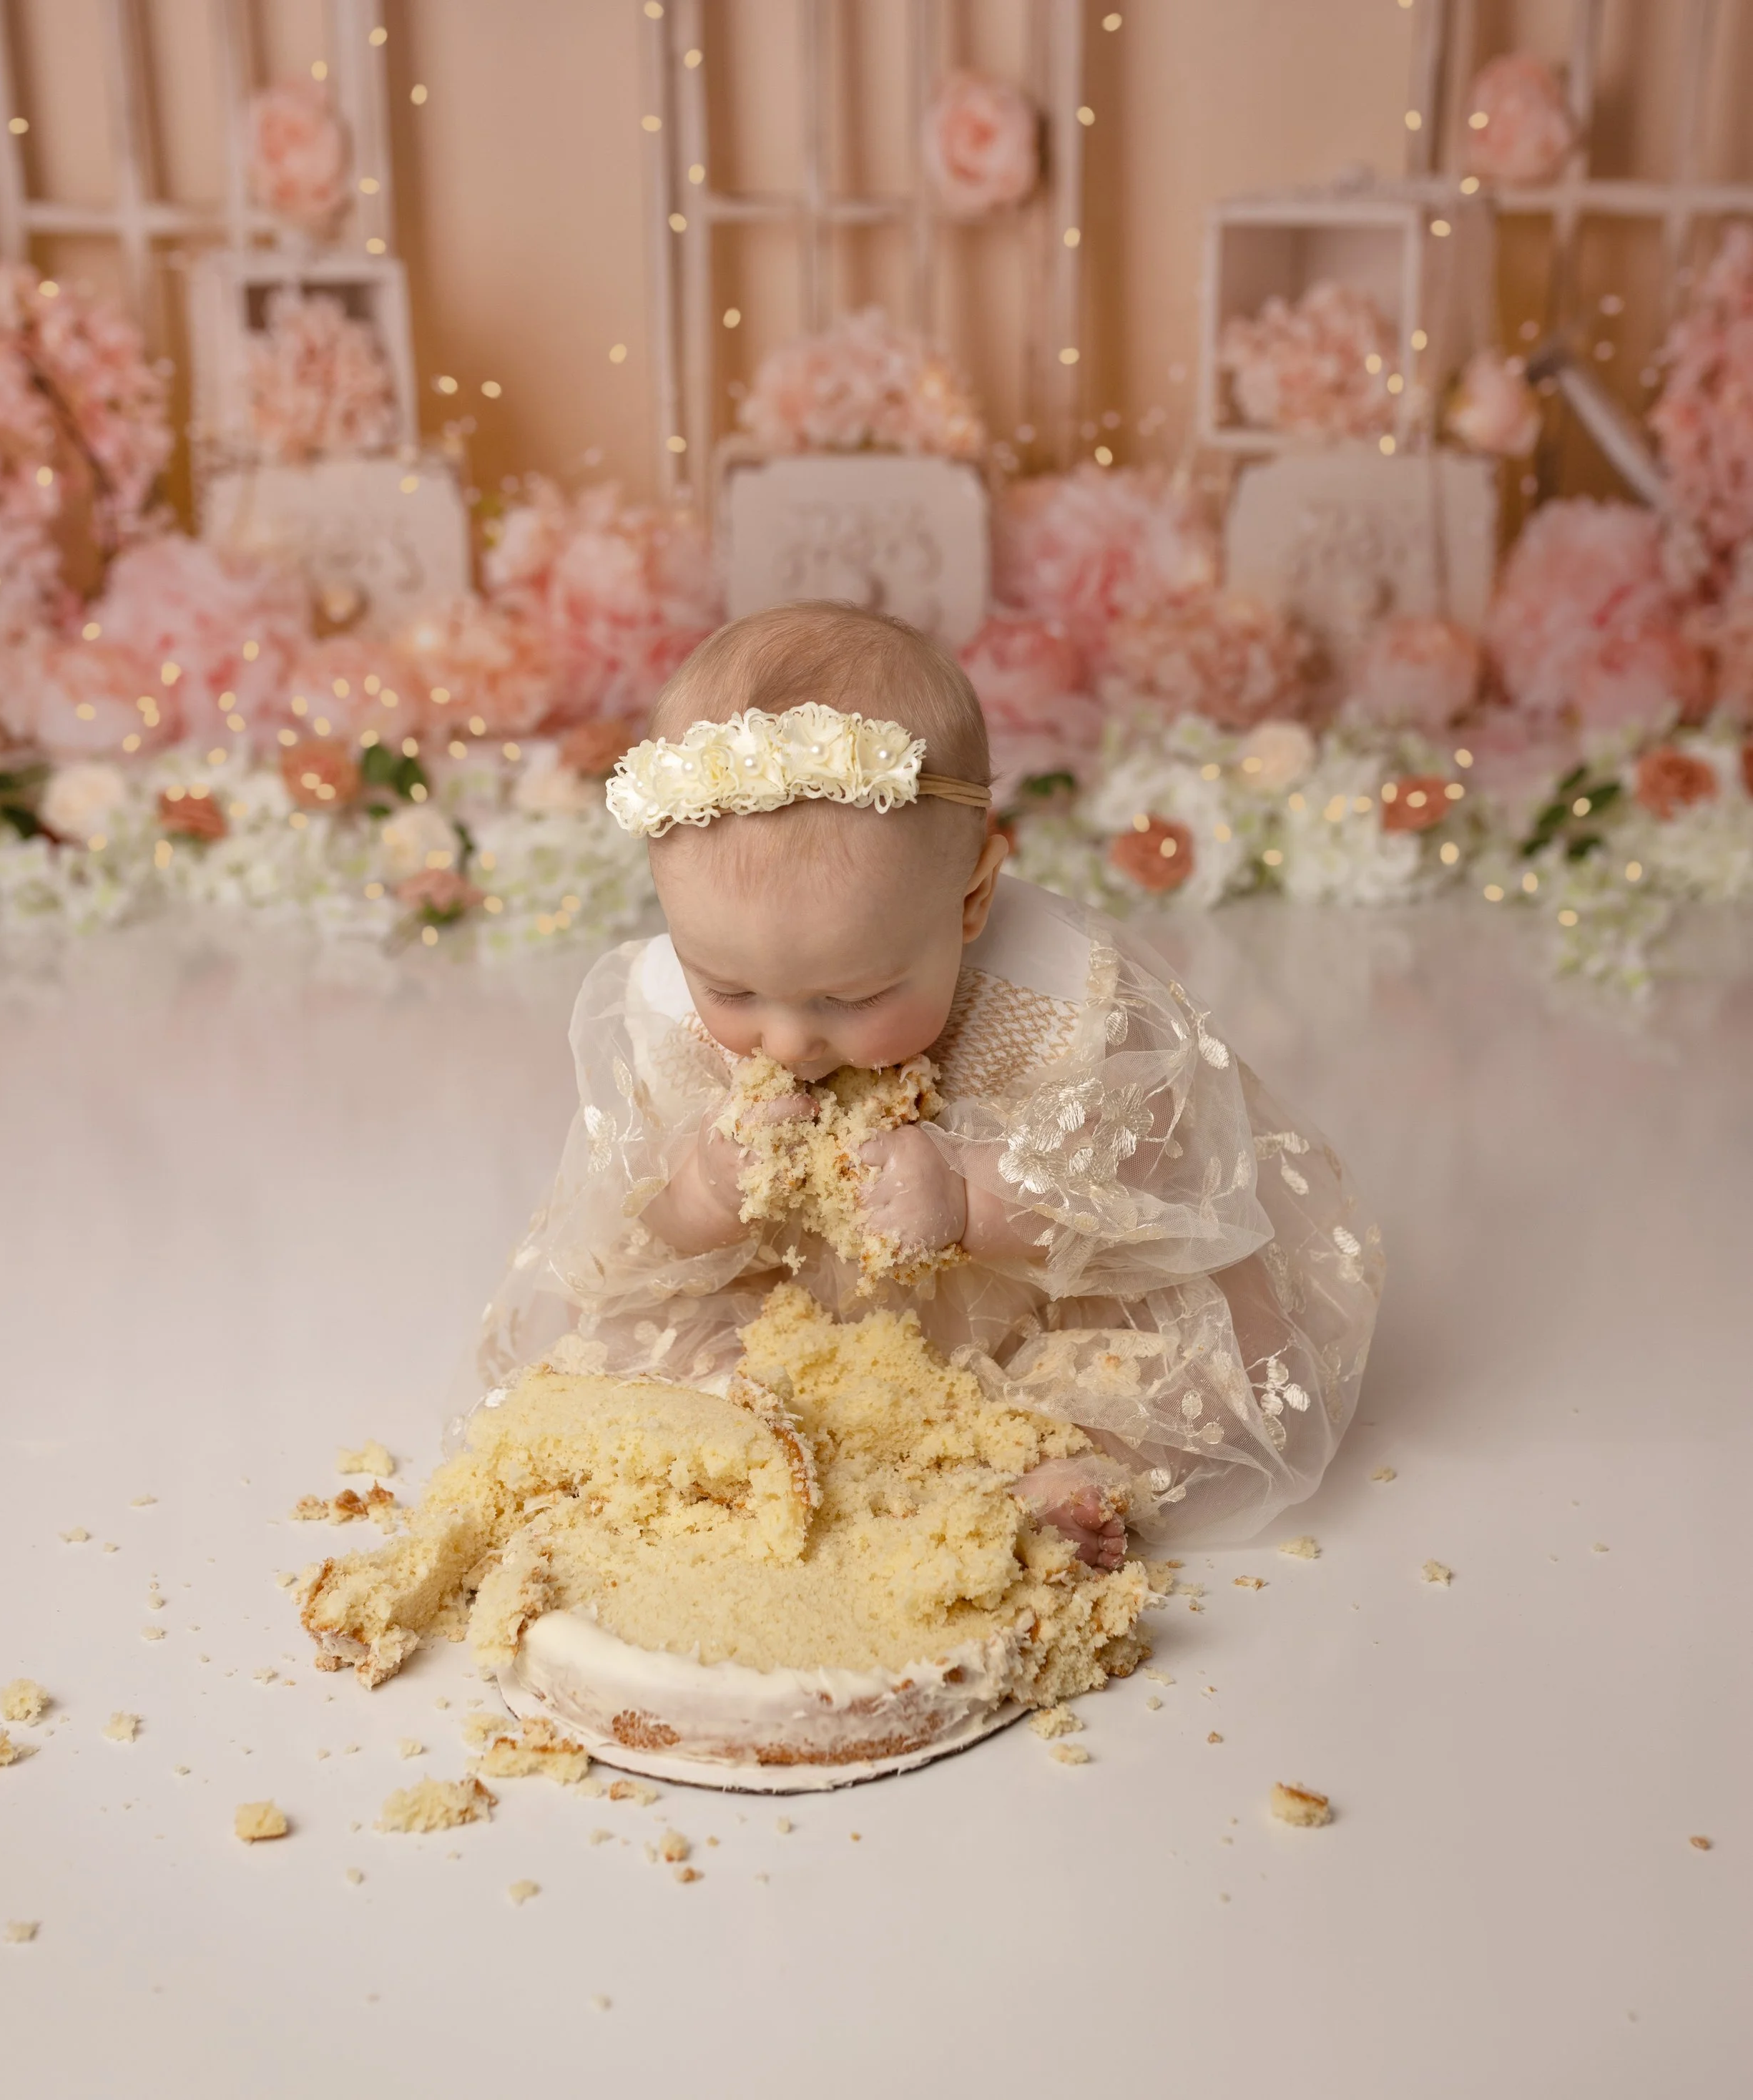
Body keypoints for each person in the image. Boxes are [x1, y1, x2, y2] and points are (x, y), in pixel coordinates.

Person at [469, 601, 1383, 1564]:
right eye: (729, 990)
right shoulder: (658, 1012)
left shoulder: (1058, 995)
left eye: (851, 996)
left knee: (1188, 1355)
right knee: (630, 1346)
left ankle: (1053, 1468)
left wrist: (970, 1196)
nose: (788, 1040)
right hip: (791, 1306)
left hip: (1026, 1302)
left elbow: (1143, 1184)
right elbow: (627, 1227)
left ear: (972, 898)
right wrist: (703, 1189)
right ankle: (765, 1447)